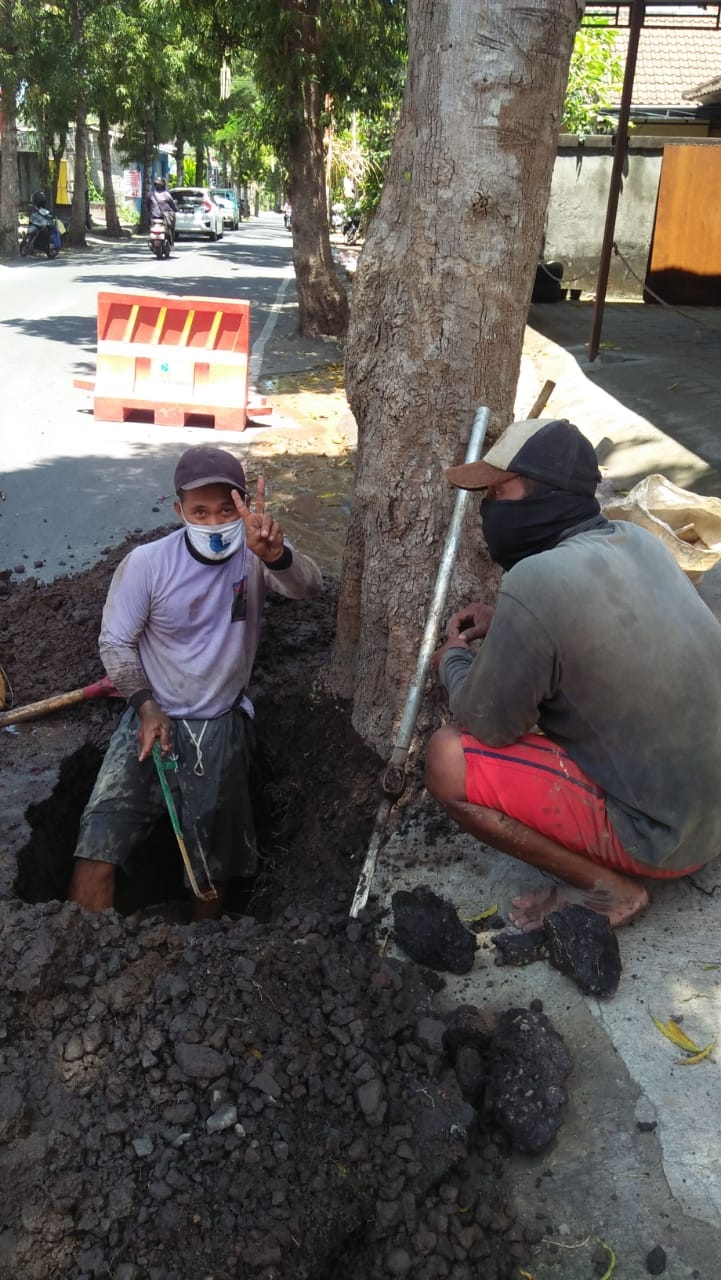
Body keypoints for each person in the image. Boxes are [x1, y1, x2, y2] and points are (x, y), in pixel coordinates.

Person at [426, 417, 721, 931]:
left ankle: (610, 890)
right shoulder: (638, 541)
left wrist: (453, 659)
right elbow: (612, 626)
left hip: (666, 842)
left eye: (498, 492)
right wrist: (512, 622)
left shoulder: (533, 579)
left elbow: (489, 723)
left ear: (546, 494)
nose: (487, 510)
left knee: (448, 759)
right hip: (711, 816)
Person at [68, 445, 323, 918]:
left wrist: (278, 555)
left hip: (219, 723)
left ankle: (205, 956)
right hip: (151, 717)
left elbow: (311, 588)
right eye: (199, 511)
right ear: (178, 510)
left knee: (210, 869)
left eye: (226, 509)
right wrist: (146, 707)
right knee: (98, 843)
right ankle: (87, 950)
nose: (213, 522)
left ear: (244, 504)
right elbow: (116, 644)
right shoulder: (147, 564)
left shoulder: (253, 557)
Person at [146, 175, 177, 242]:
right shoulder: (167, 194)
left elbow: (148, 206)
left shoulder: (150, 194)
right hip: (164, 218)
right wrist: (175, 210)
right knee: (171, 225)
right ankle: (171, 241)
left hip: (153, 218)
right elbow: (173, 206)